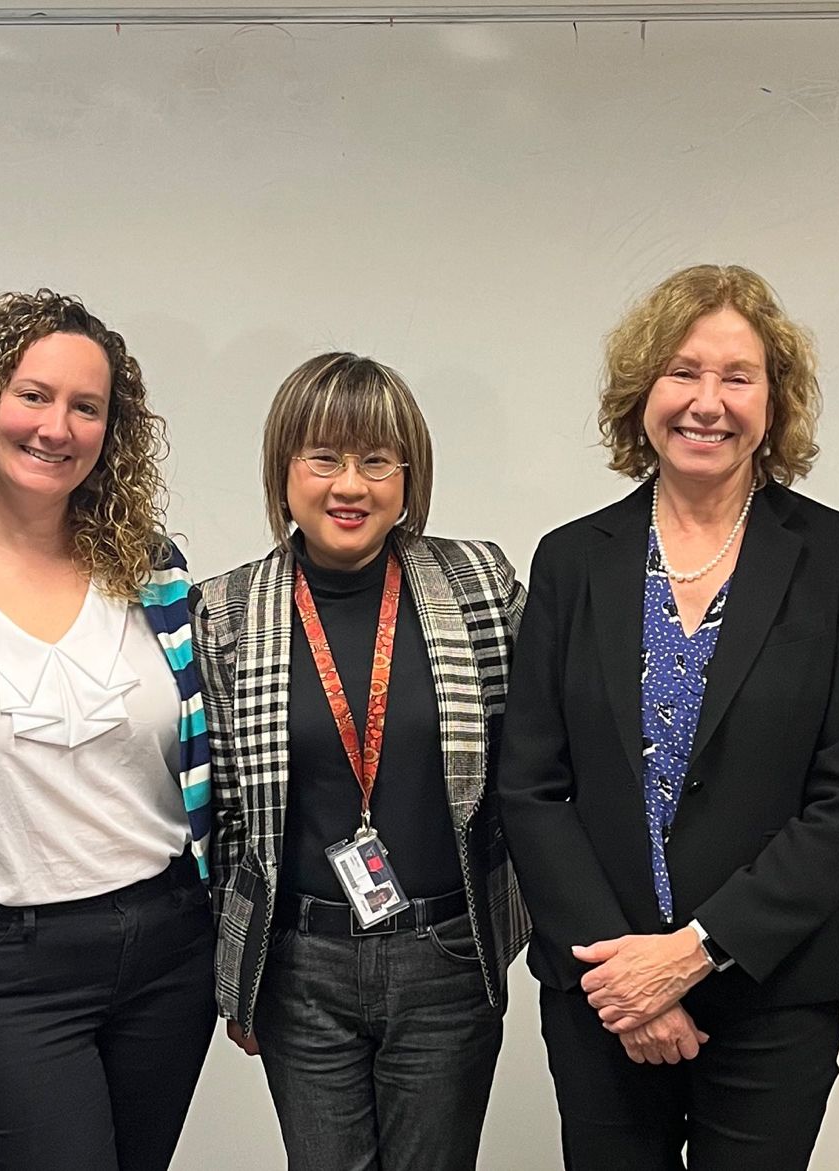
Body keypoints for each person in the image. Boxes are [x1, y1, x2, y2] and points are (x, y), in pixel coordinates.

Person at [497, 264, 839, 1170]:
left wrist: (692, 954)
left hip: (773, 988)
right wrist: (625, 976)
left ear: (773, 400)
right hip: (604, 991)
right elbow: (532, 786)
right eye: (682, 372)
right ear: (643, 392)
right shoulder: (571, 558)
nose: (706, 402)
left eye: (736, 377)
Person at [0, 291, 215, 1171]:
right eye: (32, 395)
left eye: (85, 407)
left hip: (168, 949)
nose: (56, 427)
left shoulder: (155, 573)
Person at [194, 352, 529, 1170]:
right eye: (324, 458)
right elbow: (223, 816)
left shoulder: (478, 585)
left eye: (377, 460)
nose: (351, 485)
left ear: (408, 477)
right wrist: (241, 971)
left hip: (448, 955)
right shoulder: (227, 610)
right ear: (284, 473)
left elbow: (537, 762)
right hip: (301, 967)